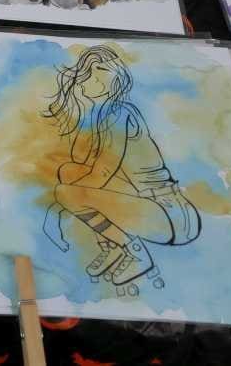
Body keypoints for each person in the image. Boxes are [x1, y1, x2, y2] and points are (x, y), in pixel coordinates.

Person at [41, 46, 201, 286]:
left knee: (68, 192)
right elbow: (87, 174)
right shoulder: (104, 116)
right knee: (68, 173)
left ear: (106, 79)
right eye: (83, 74)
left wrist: (57, 207)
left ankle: (134, 252)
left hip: (170, 215)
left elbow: (100, 176)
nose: (82, 81)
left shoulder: (117, 113)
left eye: (89, 74)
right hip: (155, 209)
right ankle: (114, 246)